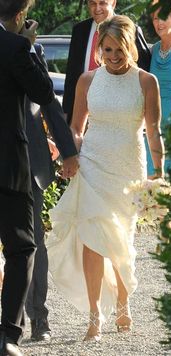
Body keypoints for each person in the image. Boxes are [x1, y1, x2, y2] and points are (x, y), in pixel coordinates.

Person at [47, 15, 164, 342]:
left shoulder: (146, 82)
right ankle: (95, 315)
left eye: (119, 49)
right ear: (100, 48)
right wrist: (72, 149)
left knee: (120, 239)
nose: (113, 55)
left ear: (131, 48)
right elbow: (75, 128)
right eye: (108, 49)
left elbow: (153, 130)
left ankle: (124, 303)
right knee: (91, 240)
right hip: (93, 164)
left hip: (128, 167)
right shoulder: (87, 80)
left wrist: (159, 173)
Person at [0, 0, 54, 354]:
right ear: (21, 17)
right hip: (8, 166)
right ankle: (7, 336)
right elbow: (44, 93)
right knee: (21, 247)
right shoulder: (18, 46)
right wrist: (30, 48)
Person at [25, 42, 78, 343]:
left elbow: (48, 102)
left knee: (33, 242)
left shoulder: (32, 49)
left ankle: (38, 318)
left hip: (29, 157)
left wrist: (66, 149)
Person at [63, 0, 151, 124]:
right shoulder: (80, 30)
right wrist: (66, 114)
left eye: (102, 3)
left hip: (119, 113)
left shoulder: (130, 30)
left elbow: (144, 69)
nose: (97, 8)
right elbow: (72, 74)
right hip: (81, 112)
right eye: (93, 3)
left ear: (113, 3)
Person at [145, 0, 171, 176]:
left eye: (163, 17)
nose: (159, 22)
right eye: (155, 18)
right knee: (151, 175)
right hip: (153, 122)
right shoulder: (153, 49)